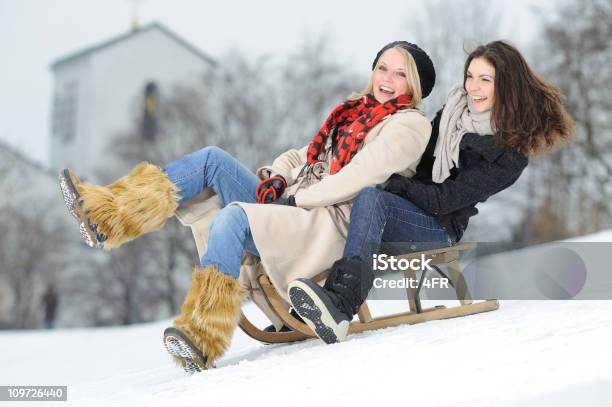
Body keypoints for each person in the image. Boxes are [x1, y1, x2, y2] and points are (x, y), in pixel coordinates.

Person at [59, 41, 437, 372]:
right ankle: (108, 216)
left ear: (415, 85)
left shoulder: (409, 126)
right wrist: (276, 174)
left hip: (325, 223)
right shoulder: (355, 112)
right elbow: (302, 156)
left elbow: (359, 176)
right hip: (295, 204)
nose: (386, 78)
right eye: (382, 67)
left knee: (233, 217)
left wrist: (296, 197)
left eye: (400, 74)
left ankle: (202, 335)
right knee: (211, 160)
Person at [287, 40, 575, 344]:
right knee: (347, 197)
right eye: (470, 76)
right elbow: (416, 155)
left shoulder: (510, 153)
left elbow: (444, 200)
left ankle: (341, 304)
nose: (473, 88)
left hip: (438, 225)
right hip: (403, 203)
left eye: (485, 80)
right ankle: (304, 304)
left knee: (370, 197)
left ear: (506, 85)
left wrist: (392, 183)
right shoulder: (452, 113)